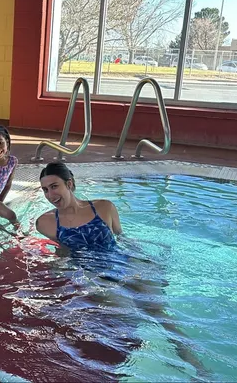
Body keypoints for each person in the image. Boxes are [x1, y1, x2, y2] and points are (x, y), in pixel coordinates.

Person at [35, 162, 210, 379]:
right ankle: (147, 366)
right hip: (93, 274)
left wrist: (148, 260)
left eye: (54, 186)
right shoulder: (46, 222)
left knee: (159, 313)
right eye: (45, 190)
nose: (50, 194)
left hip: (123, 263)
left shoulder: (104, 207)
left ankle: (197, 367)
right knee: (128, 313)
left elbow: (122, 238)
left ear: (69, 184)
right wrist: (58, 271)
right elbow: (65, 252)